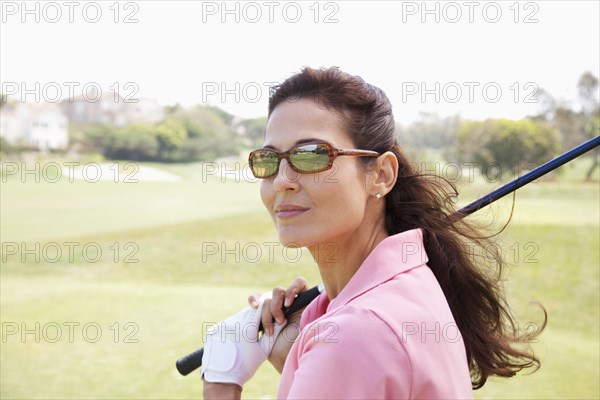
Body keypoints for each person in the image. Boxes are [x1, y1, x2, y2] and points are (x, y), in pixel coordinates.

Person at [200, 66, 545, 399]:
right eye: (268, 160)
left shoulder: (358, 331)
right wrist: (302, 353)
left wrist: (222, 377)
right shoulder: (400, 289)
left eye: (311, 155)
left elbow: (357, 346)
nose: (282, 180)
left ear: (381, 175)